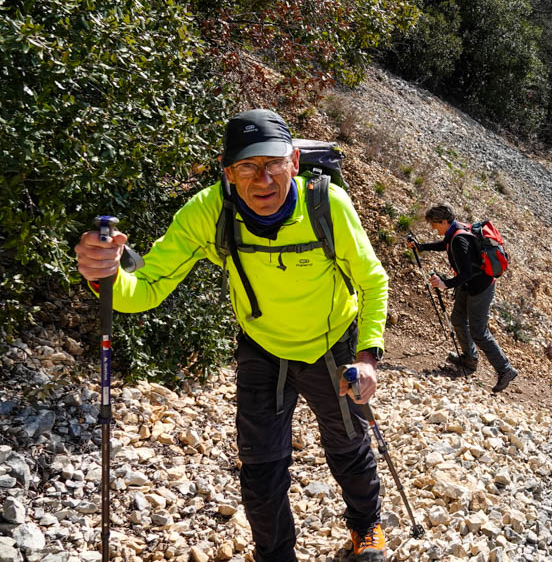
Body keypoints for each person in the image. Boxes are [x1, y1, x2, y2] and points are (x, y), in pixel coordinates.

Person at [74, 109, 390, 560]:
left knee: (347, 446)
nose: (262, 179)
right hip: (261, 348)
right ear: (228, 173)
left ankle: (366, 528)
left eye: (273, 163)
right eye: (246, 166)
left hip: (331, 344)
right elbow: (144, 289)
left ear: (294, 162)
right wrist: (104, 275)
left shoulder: (326, 205)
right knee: (261, 468)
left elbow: (372, 279)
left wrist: (367, 357)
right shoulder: (209, 212)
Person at [407, 205, 518, 394]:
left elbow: (466, 272)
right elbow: (445, 245)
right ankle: (469, 359)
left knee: (479, 332)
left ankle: (505, 369)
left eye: (435, 225)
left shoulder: (459, 239)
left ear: (444, 221)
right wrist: (422, 247)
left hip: (480, 288)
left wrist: (445, 284)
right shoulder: (457, 230)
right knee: (458, 319)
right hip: (469, 286)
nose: (434, 229)